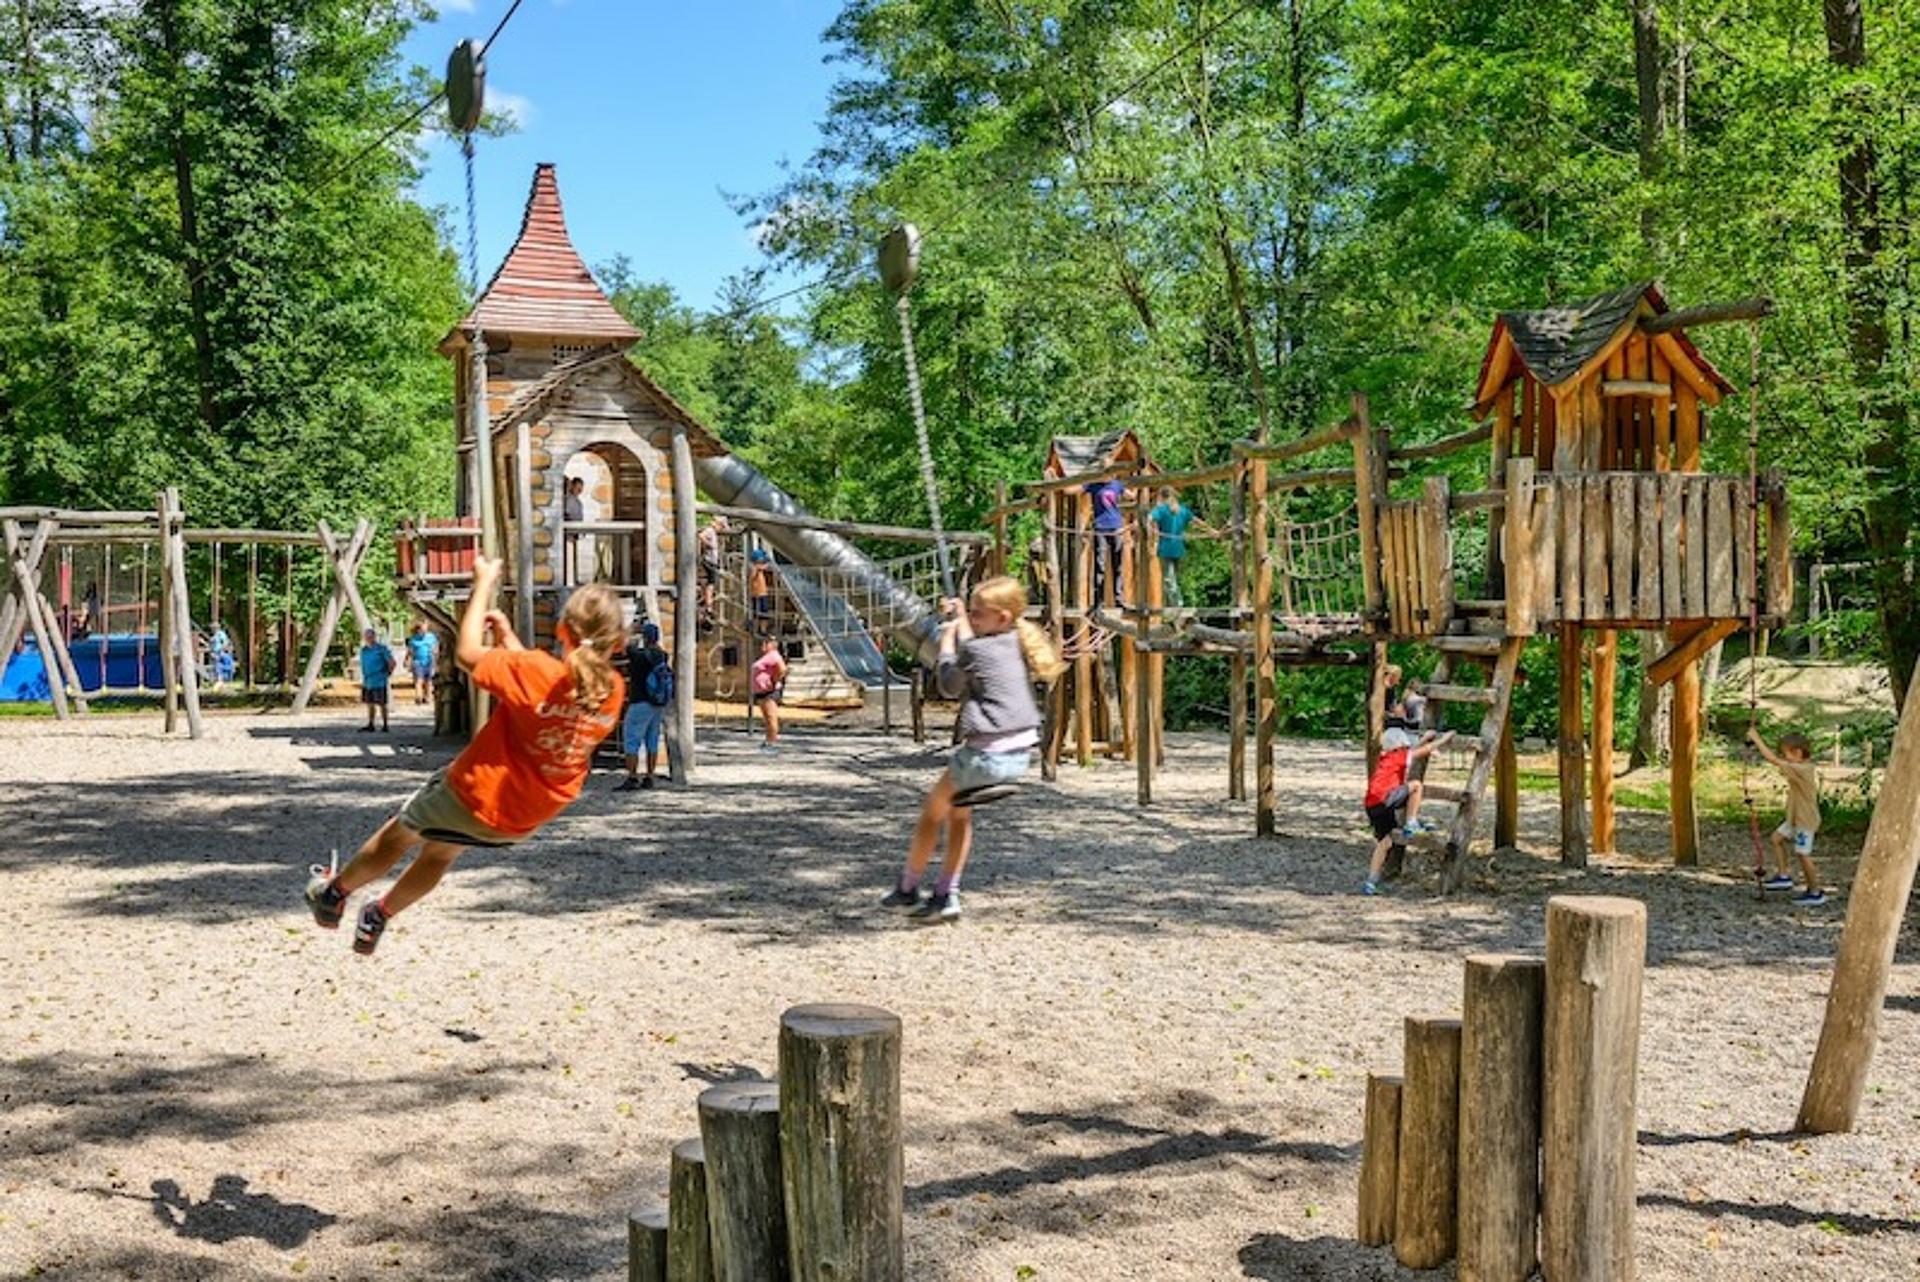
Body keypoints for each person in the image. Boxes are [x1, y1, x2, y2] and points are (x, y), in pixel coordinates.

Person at [305, 558, 626, 955]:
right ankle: (378, 916)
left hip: (477, 793)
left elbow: (468, 653)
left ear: (562, 629)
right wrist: (510, 641)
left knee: (401, 831)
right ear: (620, 642)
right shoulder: (611, 690)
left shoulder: (539, 672)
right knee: (440, 851)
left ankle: (333, 895)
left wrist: (482, 586)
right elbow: (542, 692)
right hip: (524, 817)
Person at [881, 576, 1065, 925]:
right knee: (959, 814)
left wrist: (947, 640)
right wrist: (964, 615)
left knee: (931, 814)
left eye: (980, 614)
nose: (975, 620)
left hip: (985, 758)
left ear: (1001, 618)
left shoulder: (974, 649)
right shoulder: (1015, 641)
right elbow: (979, 645)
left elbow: (950, 686)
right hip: (1018, 757)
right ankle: (946, 894)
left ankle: (907, 888)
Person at [1361, 717, 1455, 896]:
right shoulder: (1400, 756)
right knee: (1416, 786)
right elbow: (1422, 751)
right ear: (1400, 744)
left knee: (1385, 842)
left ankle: (1371, 881)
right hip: (1385, 799)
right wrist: (1444, 739)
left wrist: (1426, 737)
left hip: (1372, 804)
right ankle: (1411, 822)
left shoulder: (1387, 757)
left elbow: (1412, 751)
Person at [1748, 726, 1824, 905]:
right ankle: (1784, 876)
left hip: (1805, 820)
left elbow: (1772, 759)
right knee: (1776, 839)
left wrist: (1756, 738)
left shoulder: (1803, 769)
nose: (1784, 757)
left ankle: (1816, 892)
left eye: (1786, 753)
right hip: (1794, 818)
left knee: (1803, 854)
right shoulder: (1798, 766)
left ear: (1798, 753)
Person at [618, 620, 671, 791]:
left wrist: (630, 629)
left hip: (640, 701)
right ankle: (649, 777)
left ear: (645, 638)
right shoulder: (663, 655)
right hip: (657, 703)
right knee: (652, 740)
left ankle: (633, 777)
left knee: (631, 740)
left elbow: (624, 646)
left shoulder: (638, 655)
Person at [1147, 487, 1211, 610]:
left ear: (1161, 497)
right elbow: (1197, 521)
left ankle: (1177, 605)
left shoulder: (1161, 510)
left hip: (1165, 549)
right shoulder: (1183, 510)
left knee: (1168, 580)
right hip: (1178, 549)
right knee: (1173, 579)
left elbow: (1149, 518)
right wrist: (1212, 530)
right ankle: (1172, 605)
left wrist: (1148, 528)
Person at [1084, 476, 1128, 607]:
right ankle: (1099, 600)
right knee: (1100, 564)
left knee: (1118, 565)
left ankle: (1119, 599)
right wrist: (1058, 482)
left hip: (1116, 527)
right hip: (1101, 527)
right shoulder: (1094, 485)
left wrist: (1139, 481)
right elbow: (1073, 489)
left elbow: (1131, 495)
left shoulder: (1117, 485)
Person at [750, 637, 788, 749]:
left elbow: (783, 669)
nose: (763, 645)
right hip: (761, 691)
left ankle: (772, 743)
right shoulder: (767, 657)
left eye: (766, 643)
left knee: (771, 717)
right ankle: (768, 741)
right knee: (766, 718)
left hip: (769, 692)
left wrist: (774, 680)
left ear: (772, 644)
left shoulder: (774, 655)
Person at [358, 627, 396, 733]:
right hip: (367, 680)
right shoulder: (363, 650)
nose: (369, 638)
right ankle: (371, 724)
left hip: (379, 680)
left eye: (371, 636)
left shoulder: (381, 649)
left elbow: (392, 662)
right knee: (369, 703)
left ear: (374, 637)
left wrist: (388, 673)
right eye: (367, 637)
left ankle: (385, 724)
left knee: (382, 703)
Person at [698, 516, 729, 623]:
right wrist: (709, 544)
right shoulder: (710, 530)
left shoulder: (713, 533)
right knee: (710, 584)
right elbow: (700, 536)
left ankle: (706, 602)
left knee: (710, 584)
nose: (721, 530)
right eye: (722, 527)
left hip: (711, 561)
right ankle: (708, 606)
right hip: (709, 561)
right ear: (718, 524)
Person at [406, 621, 440, 706]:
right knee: (419, 680)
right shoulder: (413, 639)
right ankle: (419, 697)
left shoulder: (431, 637)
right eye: (422, 630)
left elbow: (435, 649)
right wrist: (408, 661)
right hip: (418, 662)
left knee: (428, 680)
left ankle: (427, 697)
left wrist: (436, 659)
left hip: (429, 661)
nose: (424, 632)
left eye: (425, 630)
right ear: (418, 630)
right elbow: (410, 651)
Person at [563, 477, 587, 583]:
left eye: (581, 489)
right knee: (568, 557)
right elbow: (567, 514)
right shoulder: (568, 500)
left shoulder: (577, 501)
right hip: (569, 533)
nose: (579, 491)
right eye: (578, 488)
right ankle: (569, 580)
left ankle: (573, 578)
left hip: (574, 533)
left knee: (573, 558)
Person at [748, 547, 776, 636]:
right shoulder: (754, 568)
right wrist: (759, 568)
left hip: (762, 593)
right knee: (759, 613)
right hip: (757, 594)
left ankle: (762, 629)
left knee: (764, 613)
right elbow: (752, 577)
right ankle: (758, 629)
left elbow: (766, 565)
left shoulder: (759, 568)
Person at [209, 621, 235, 687]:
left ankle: (222, 681)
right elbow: (212, 645)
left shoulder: (221, 634)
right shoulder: (214, 636)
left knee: (221, 666)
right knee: (217, 666)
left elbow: (225, 643)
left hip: (221, 652)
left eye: (213, 628)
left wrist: (221, 651)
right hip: (215, 652)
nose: (212, 630)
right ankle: (219, 681)